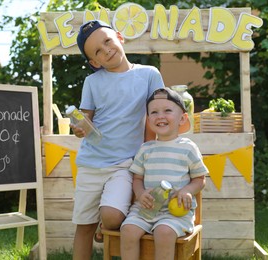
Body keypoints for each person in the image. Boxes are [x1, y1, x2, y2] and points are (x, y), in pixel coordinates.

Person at [71, 20, 165, 260]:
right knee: (84, 226)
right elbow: (85, 119)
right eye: (98, 52)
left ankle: (105, 227)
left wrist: (147, 154)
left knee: (112, 217)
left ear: (119, 37)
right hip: (91, 164)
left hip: (125, 164)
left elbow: (154, 117)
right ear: (94, 62)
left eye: (107, 41)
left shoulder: (149, 75)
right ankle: (95, 231)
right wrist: (78, 127)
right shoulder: (92, 82)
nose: (106, 50)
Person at [120, 88, 208, 260]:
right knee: (128, 230)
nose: (160, 116)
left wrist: (187, 190)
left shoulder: (187, 147)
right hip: (146, 208)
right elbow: (137, 178)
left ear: (182, 118)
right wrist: (140, 193)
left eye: (167, 110)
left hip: (175, 212)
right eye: (154, 112)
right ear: (148, 120)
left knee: (164, 232)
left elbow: (200, 179)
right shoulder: (146, 149)